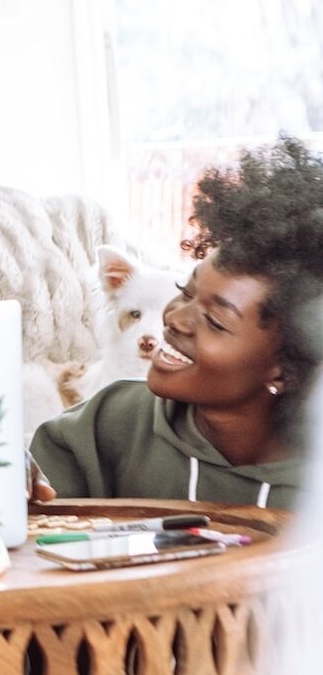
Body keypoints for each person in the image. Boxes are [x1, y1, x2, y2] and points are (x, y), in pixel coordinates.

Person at [30, 135, 323, 510]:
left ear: (285, 370)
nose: (175, 318)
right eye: (186, 291)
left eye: (215, 321)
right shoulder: (112, 421)